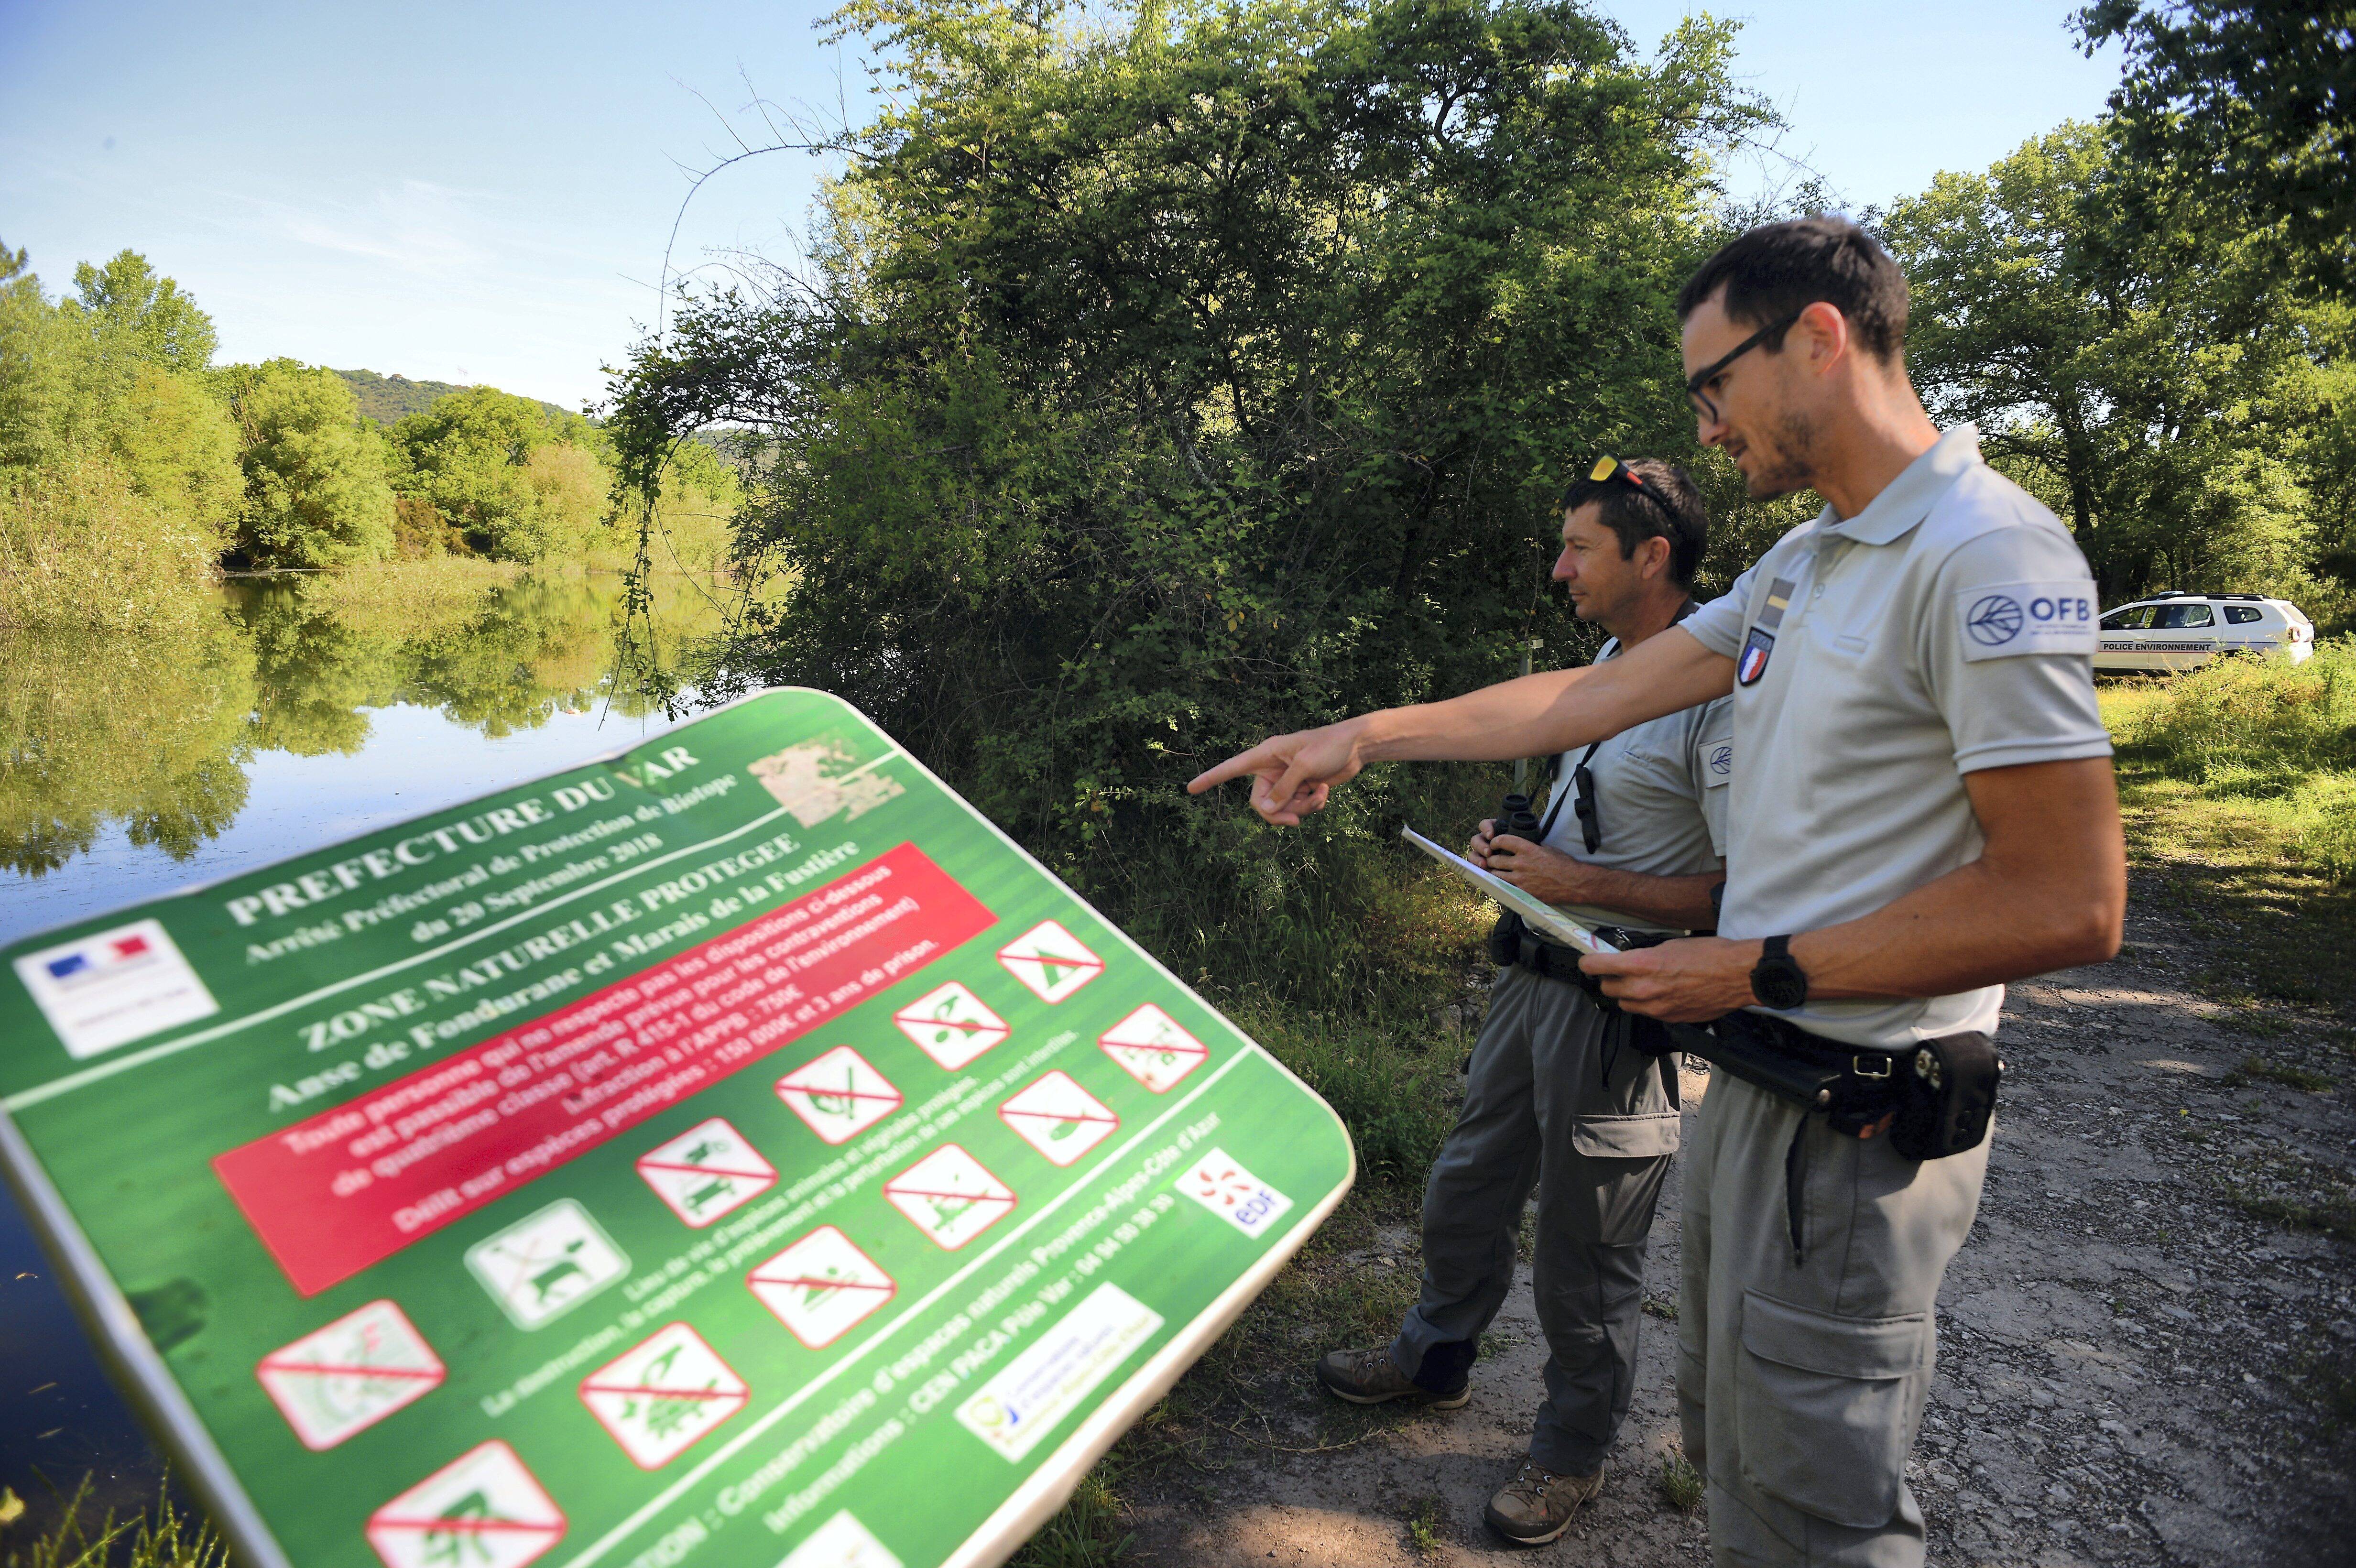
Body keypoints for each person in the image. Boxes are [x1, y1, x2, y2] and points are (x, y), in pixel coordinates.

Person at [1189, 217, 2125, 1568]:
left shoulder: (1986, 555)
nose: (1705, 424)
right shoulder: (1806, 561)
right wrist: (1362, 736)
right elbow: (1585, 699)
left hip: (1857, 1111)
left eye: (1712, 385)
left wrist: (1751, 964)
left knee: (1817, 1510)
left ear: (1818, 339)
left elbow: (2068, 902)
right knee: (1735, 1462)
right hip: (1754, 1077)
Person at [1314, 457, 1732, 1546]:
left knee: (1587, 1249)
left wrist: (1580, 881)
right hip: (1530, 979)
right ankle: (1433, 1357)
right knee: (1466, 1182)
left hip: (1622, 1004)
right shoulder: (1608, 665)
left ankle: (1571, 1450)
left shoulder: (1721, 695)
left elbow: (1742, 890)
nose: (1559, 569)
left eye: (1580, 548)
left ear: (1652, 556)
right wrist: (1520, 852)